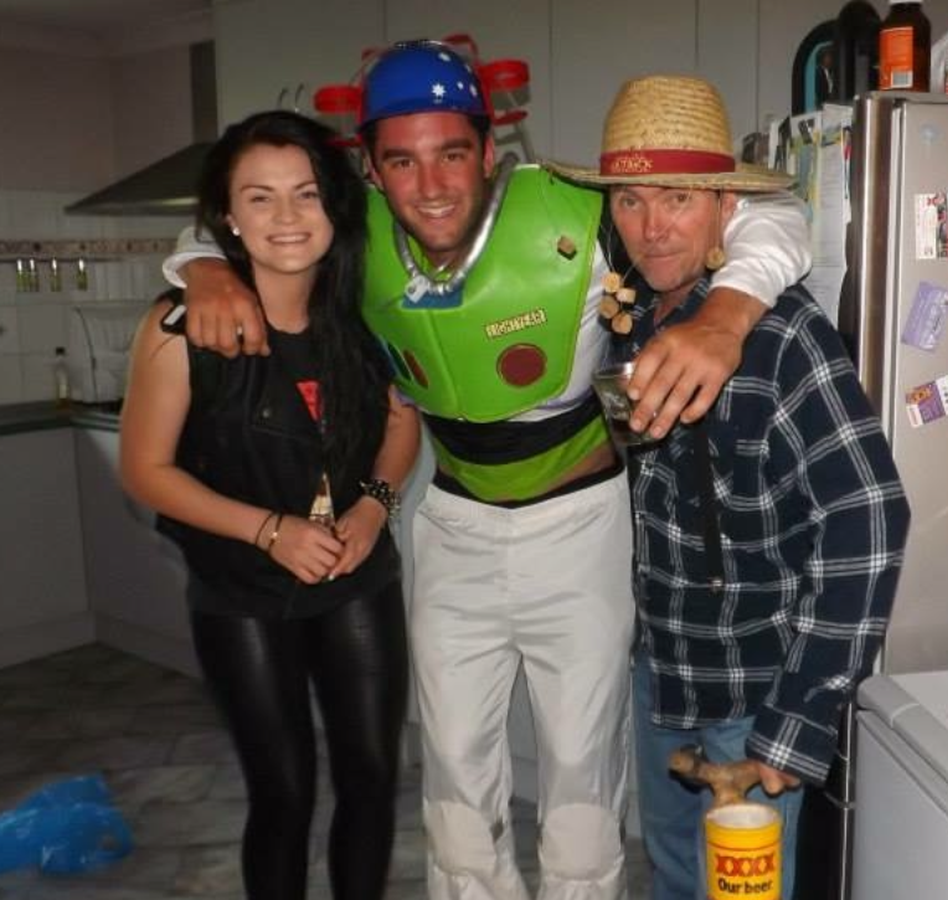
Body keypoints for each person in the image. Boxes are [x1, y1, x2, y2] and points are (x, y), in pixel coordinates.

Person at [163, 40, 812, 900]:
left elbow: (776, 216)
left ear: (487, 148)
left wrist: (728, 312)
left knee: (581, 779)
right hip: (453, 528)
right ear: (370, 169)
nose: (431, 185)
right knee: (455, 783)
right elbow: (240, 220)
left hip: (581, 528)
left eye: (451, 154)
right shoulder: (352, 229)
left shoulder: (579, 213)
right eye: (402, 161)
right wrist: (204, 266)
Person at [546, 74, 911, 900]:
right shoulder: (631, 316)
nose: (652, 227)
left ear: (725, 207)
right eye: (631, 200)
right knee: (676, 877)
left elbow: (869, 516)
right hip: (665, 672)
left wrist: (798, 719)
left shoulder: (780, 337)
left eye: (677, 198)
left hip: (755, 687)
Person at [120, 110, 422, 900]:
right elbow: (146, 470)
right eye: (260, 197)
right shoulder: (182, 325)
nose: (287, 217)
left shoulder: (366, 316)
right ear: (227, 215)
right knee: (283, 792)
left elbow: (401, 424)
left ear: (334, 207)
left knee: (371, 778)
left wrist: (372, 509)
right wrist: (269, 531)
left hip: (357, 579)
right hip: (241, 591)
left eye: (306, 194)